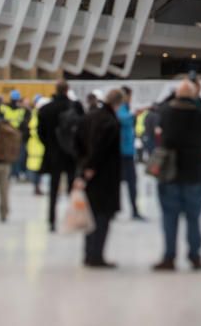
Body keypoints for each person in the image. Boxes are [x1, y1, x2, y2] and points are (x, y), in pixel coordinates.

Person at [153, 79, 201, 272]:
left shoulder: (167, 113)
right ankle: (195, 255)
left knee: (169, 218)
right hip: (194, 172)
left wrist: (175, 94)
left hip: (170, 172)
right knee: (194, 218)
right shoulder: (200, 115)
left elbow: (160, 106)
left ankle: (169, 256)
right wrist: (195, 95)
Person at [76, 89, 123, 269]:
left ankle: (88, 253)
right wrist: (91, 166)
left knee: (90, 215)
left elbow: (77, 141)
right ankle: (97, 255)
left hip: (89, 174)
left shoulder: (89, 117)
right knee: (102, 217)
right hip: (105, 175)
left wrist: (82, 164)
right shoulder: (110, 122)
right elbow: (101, 149)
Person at [38, 80, 80, 232]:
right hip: (71, 155)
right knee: (72, 188)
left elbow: (40, 133)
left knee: (53, 188)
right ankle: (72, 219)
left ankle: (52, 221)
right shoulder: (76, 107)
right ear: (67, 90)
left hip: (53, 154)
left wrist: (49, 146)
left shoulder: (45, 109)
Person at [116, 87, 144, 220]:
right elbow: (122, 119)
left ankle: (133, 209)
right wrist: (134, 115)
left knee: (130, 182)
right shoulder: (121, 108)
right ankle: (130, 209)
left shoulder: (125, 108)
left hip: (126, 150)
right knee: (128, 182)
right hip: (122, 152)